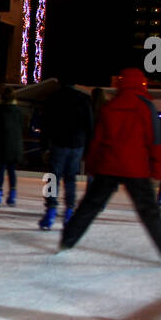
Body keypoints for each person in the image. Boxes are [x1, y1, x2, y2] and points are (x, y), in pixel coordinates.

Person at [57, 67, 161, 267]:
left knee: (90, 205)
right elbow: (155, 141)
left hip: (109, 165)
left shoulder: (110, 107)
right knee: (149, 211)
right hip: (136, 168)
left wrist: (91, 165)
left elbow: (98, 140)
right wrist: (157, 168)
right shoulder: (146, 106)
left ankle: (67, 240)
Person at [38, 74, 93, 229]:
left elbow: (46, 123)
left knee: (52, 177)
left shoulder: (53, 98)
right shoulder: (83, 99)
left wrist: (44, 146)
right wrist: (88, 148)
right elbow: (89, 125)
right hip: (77, 144)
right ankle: (69, 211)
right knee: (70, 179)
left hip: (58, 143)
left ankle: (50, 211)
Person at [0, 87, 23, 206]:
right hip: (15, 145)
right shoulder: (18, 110)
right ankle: (12, 196)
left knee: (1, 170)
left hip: (2, 145)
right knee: (12, 170)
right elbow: (20, 128)